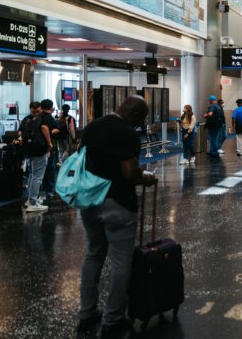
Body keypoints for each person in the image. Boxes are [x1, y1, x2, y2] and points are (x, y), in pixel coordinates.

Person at [77, 96, 157, 336]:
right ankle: (113, 319)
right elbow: (130, 173)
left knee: (93, 254)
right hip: (117, 202)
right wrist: (147, 178)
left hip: (89, 200)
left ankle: (87, 313)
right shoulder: (127, 134)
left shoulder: (91, 127)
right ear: (135, 116)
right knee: (122, 262)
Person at [19, 101, 51, 212]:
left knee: (32, 175)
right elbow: (45, 129)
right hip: (39, 150)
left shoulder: (26, 120)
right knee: (37, 177)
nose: (35, 113)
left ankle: (29, 200)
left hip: (28, 151)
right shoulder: (42, 118)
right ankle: (33, 201)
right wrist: (50, 144)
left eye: (37, 111)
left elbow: (20, 133)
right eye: (34, 111)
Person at [39, 99, 61, 201]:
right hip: (49, 147)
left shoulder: (37, 117)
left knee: (36, 171)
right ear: (51, 107)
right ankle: (48, 191)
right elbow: (56, 129)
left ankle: (37, 191)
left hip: (37, 147)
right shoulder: (50, 118)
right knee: (50, 169)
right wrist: (48, 136)